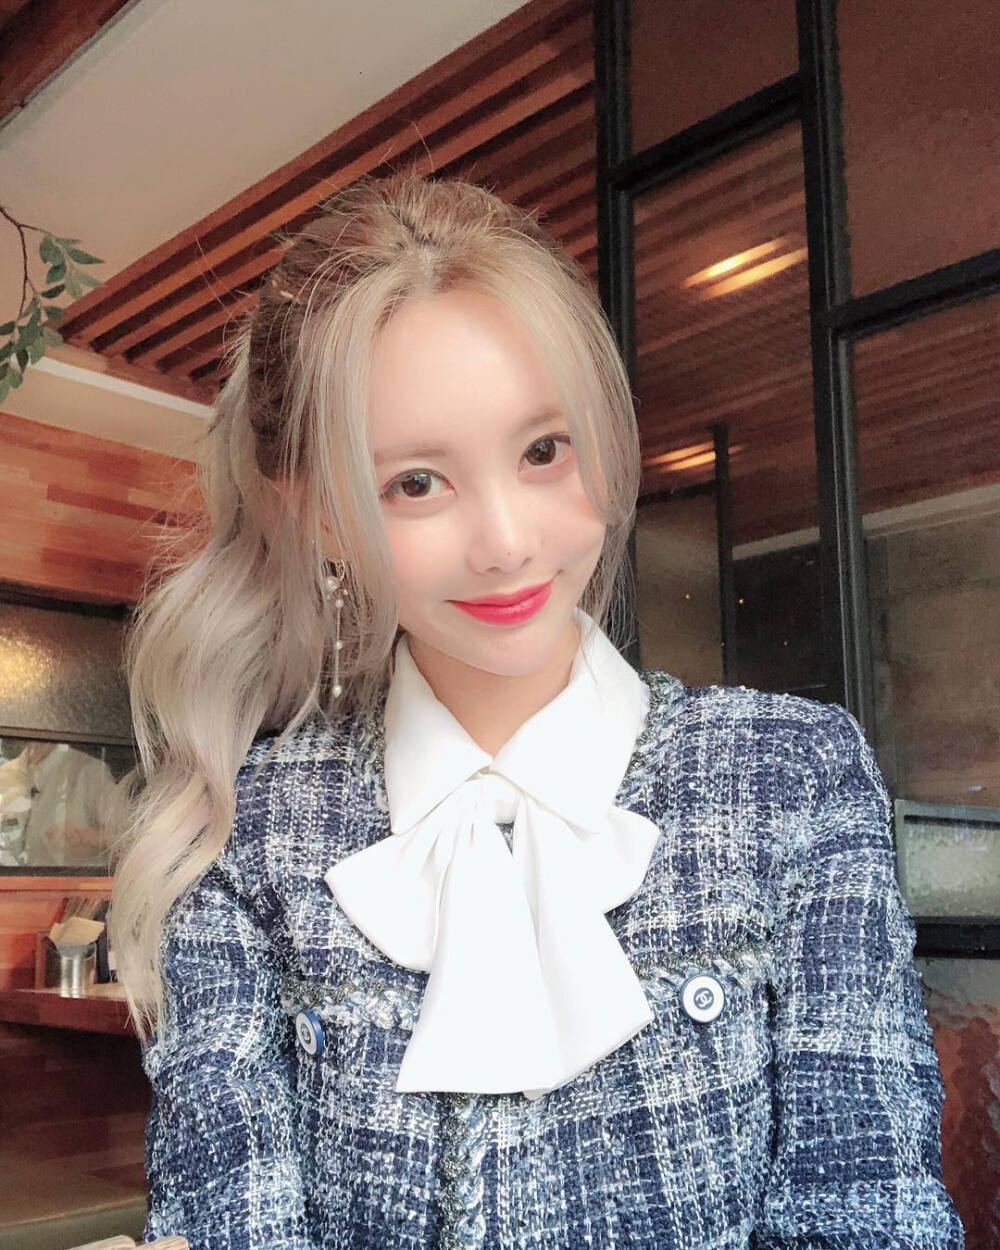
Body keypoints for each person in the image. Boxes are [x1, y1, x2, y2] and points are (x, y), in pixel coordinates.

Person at [107, 170, 965, 1249]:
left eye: (543, 450)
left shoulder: (793, 776)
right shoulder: (244, 833)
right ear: (317, 513)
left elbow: (868, 1207)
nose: (507, 542)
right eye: (416, 482)